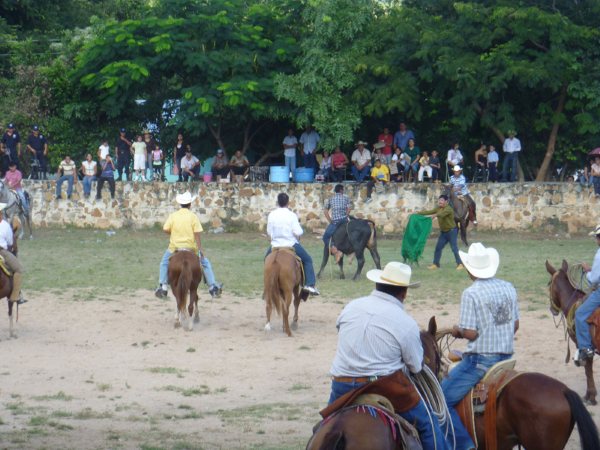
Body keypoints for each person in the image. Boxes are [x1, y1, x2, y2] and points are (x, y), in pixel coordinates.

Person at [328, 261, 450, 450]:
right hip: (384, 386)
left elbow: (341, 330)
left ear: (377, 284)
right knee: (428, 425)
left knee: (326, 425)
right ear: (404, 293)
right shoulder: (405, 323)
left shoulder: (351, 307)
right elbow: (416, 366)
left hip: (341, 385)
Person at [442, 242, 519, 450]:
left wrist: (457, 330)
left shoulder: (471, 293)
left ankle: (465, 445)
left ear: (469, 268)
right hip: (506, 359)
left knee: (441, 401)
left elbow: (471, 333)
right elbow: (515, 325)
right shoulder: (508, 287)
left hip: (480, 362)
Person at [155, 191, 222, 299]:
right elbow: (197, 234)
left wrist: (173, 233)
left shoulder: (173, 216)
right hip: (191, 248)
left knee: (163, 263)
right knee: (205, 263)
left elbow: (165, 229)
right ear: (190, 204)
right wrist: (200, 250)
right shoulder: (193, 217)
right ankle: (212, 287)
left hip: (174, 248)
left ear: (180, 204)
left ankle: (163, 286)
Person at [266, 192, 319, 296]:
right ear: (288, 203)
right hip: (290, 244)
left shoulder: (272, 214)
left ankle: (267, 285)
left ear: (277, 202)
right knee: (308, 260)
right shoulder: (292, 215)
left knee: (266, 260)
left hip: (275, 245)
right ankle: (310, 285)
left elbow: (269, 232)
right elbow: (299, 232)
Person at [574, 225, 600, 364]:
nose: (596, 239)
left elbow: (594, 279)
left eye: (597, 237)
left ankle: (585, 348)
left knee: (580, 314)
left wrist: (587, 272)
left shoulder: (599, 253)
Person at [417, 194, 463, 270]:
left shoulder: (449, 209)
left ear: (446, 202)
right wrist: (418, 213)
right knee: (438, 248)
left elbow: (441, 214)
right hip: (443, 233)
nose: (440, 201)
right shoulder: (438, 208)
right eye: (439, 200)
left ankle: (460, 264)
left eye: (441, 200)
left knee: (454, 248)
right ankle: (436, 264)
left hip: (452, 232)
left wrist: (435, 215)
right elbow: (429, 212)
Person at [0, 202, 26, 304]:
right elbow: (10, 242)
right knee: (18, 269)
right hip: (2, 252)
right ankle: (15, 296)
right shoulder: (5, 226)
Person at [323, 184, 352, 263]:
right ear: (341, 190)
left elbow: (325, 211)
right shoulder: (346, 197)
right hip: (345, 221)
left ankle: (336, 251)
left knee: (325, 237)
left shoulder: (330, 198)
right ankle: (352, 252)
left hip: (335, 222)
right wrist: (346, 216)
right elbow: (349, 209)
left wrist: (330, 220)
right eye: (343, 190)